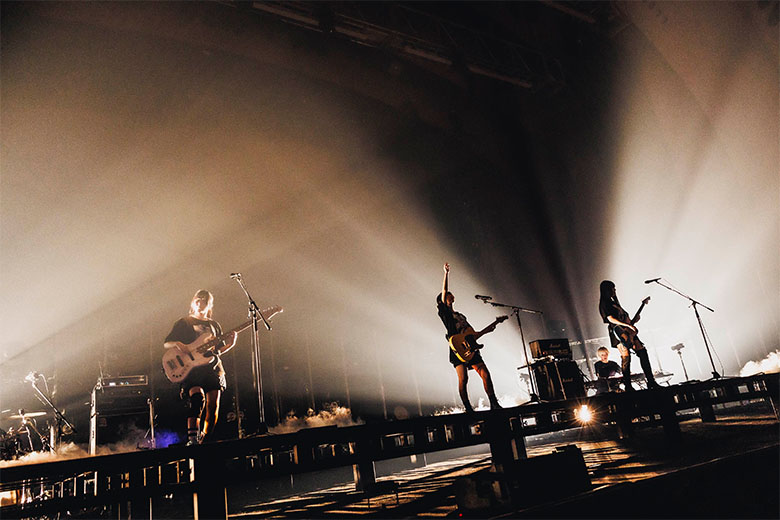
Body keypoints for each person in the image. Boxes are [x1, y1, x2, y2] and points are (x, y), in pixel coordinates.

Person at [164, 289, 237, 445]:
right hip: (192, 369)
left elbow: (217, 351)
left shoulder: (214, 325)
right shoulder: (184, 322)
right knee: (197, 399)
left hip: (212, 368)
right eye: (197, 300)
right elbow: (166, 343)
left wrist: (231, 344)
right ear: (193, 302)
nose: (199, 303)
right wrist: (178, 343)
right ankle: (192, 440)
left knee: (213, 406)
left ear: (208, 304)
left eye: (203, 300)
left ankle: (206, 439)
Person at [436, 263, 501, 412]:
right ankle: (468, 408)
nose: (451, 295)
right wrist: (446, 274)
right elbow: (444, 290)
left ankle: (494, 403)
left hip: (471, 347)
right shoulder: (445, 314)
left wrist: (492, 326)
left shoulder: (461, 316)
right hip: (457, 348)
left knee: (485, 373)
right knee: (463, 379)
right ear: (443, 300)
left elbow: (473, 334)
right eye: (448, 295)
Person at [598, 280, 659, 391]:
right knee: (626, 358)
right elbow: (610, 318)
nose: (614, 290)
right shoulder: (604, 303)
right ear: (607, 290)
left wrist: (632, 322)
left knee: (643, 352)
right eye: (613, 288)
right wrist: (628, 325)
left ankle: (651, 381)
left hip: (627, 331)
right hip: (617, 333)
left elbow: (624, 318)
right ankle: (628, 386)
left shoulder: (615, 303)